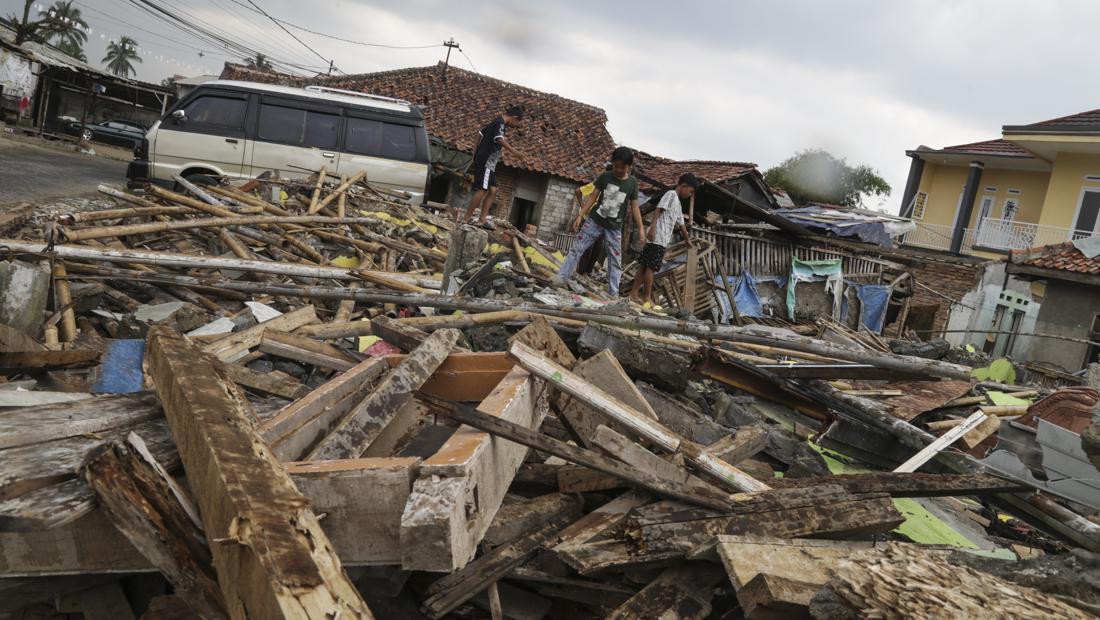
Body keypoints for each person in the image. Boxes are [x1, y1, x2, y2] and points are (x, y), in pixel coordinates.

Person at [556, 146, 644, 297]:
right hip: (595, 220)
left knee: (615, 260)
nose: (617, 170)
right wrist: (580, 215)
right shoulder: (606, 176)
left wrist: (641, 228)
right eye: (615, 166)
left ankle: (613, 295)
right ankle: (560, 279)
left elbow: (635, 207)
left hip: (614, 227)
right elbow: (592, 197)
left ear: (629, 166)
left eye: (621, 168)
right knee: (577, 249)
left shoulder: (632, 183)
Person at [629, 173, 697, 306]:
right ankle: (646, 297)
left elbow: (682, 224)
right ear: (684, 186)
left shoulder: (677, 202)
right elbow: (658, 210)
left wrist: (688, 240)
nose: (690, 194)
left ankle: (633, 293)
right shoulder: (671, 194)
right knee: (651, 267)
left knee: (644, 266)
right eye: (690, 191)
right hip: (658, 236)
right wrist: (653, 228)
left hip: (661, 238)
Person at [461, 105, 527, 228]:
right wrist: (515, 152)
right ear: (515, 118)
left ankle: (482, 219)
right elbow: (499, 139)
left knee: (493, 189)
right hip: (487, 160)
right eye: (517, 122)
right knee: (482, 188)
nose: (516, 125)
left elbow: (480, 134)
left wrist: (475, 153)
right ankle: (465, 218)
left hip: (487, 161)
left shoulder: (495, 121)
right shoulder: (500, 123)